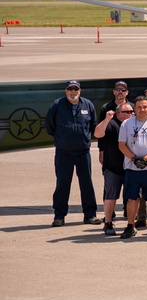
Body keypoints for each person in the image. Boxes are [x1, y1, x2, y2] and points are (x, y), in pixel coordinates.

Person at [44, 80, 99, 226]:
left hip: (83, 152)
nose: (73, 92)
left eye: (76, 89)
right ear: (65, 90)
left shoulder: (88, 105)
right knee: (62, 184)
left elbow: (93, 125)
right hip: (64, 153)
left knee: (87, 184)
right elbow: (50, 126)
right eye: (70, 89)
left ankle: (90, 215)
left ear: (80, 91)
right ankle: (59, 216)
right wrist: (62, 138)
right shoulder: (57, 105)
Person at [118, 97, 147, 239]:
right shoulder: (127, 124)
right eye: (139, 107)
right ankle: (130, 226)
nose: (142, 109)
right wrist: (134, 158)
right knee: (132, 198)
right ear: (135, 109)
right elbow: (121, 144)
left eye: (145, 107)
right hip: (131, 168)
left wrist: (145, 159)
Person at [94, 102, 131, 235]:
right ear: (120, 113)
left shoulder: (132, 124)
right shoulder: (111, 124)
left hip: (130, 168)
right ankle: (108, 223)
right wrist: (106, 119)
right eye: (129, 112)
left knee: (133, 197)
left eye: (132, 111)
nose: (132, 113)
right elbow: (97, 134)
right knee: (111, 196)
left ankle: (131, 224)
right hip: (113, 167)